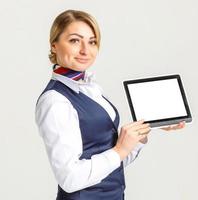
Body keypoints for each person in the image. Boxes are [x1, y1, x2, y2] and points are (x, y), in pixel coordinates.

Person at [35, 9, 185, 200]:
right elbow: (70, 178)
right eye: (74, 40)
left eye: (92, 42)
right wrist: (120, 149)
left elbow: (112, 163)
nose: (85, 50)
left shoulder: (90, 88)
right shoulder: (55, 101)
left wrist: (141, 134)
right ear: (54, 45)